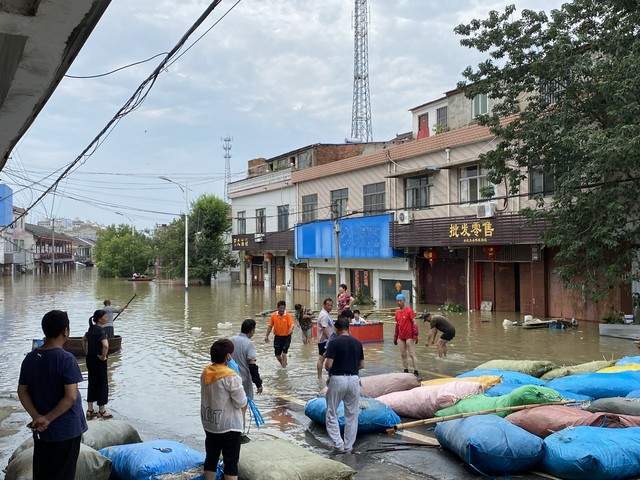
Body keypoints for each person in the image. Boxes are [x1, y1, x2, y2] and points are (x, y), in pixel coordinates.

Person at [17, 310, 88, 480]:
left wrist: (37, 417)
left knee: (43, 473)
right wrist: (48, 419)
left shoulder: (30, 358)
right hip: (66, 430)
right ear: (65, 331)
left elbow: (22, 391)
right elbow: (70, 397)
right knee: (64, 474)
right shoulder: (66, 359)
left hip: (42, 431)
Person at [201, 339, 247, 480]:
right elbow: (241, 402)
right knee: (231, 463)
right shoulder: (231, 377)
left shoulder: (205, 372)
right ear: (228, 356)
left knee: (211, 459)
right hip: (229, 427)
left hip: (210, 423)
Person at [324, 315, 364, 454]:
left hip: (337, 379)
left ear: (336, 328)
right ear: (349, 327)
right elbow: (362, 365)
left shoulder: (334, 342)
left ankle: (338, 444)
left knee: (331, 412)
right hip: (354, 379)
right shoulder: (358, 343)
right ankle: (348, 447)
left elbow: (328, 364)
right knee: (352, 415)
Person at [84, 310, 112, 419]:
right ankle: (102, 411)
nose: (107, 318)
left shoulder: (91, 328)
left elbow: (83, 339)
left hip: (90, 360)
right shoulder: (101, 331)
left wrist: (86, 352)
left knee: (92, 383)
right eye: (105, 316)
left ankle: (90, 410)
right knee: (102, 384)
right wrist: (103, 356)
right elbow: (105, 346)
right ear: (100, 319)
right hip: (99, 362)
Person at [230, 319, 263, 401]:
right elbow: (252, 366)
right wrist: (258, 384)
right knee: (243, 405)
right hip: (243, 381)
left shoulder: (231, 340)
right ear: (252, 330)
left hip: (229, 379)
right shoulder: (249, 343)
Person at [394, 293, 419, 377]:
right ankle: (406, 370)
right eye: (397, 301)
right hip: (401, 337)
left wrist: (415, 335)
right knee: (403, 354)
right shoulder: (397, 313)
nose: (398, 302)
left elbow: (414, 323)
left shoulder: (409, 310)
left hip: (409, 336)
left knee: (412, 354)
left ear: (404, 301)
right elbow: (397, 325)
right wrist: (395, 337)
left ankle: (416, 371)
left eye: (400, 301)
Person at [264, 300, 294, 368]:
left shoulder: (288, 316)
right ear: (277, 308)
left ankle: (284, 370)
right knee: (277, 355)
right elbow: (270, 326)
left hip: (287, 337)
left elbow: (292, 325)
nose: (282, 310)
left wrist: (291, 329)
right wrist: (266, 336)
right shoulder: (273, 315)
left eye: (283, 308)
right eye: (280, 308)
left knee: (284, 354)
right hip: (277, 337)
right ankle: (283, 364)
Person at [316, 298, 335, 380]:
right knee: (322, 359)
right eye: (328, 305)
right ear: (324, 305)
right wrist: (332, 340)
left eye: (331, 305)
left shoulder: (326, 314)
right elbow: (325, 328)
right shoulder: (324, 315)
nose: (330, 307)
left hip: (326, 340)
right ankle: (320, 378)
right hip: (325, 341)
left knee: (326, 358)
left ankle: (327, 376)